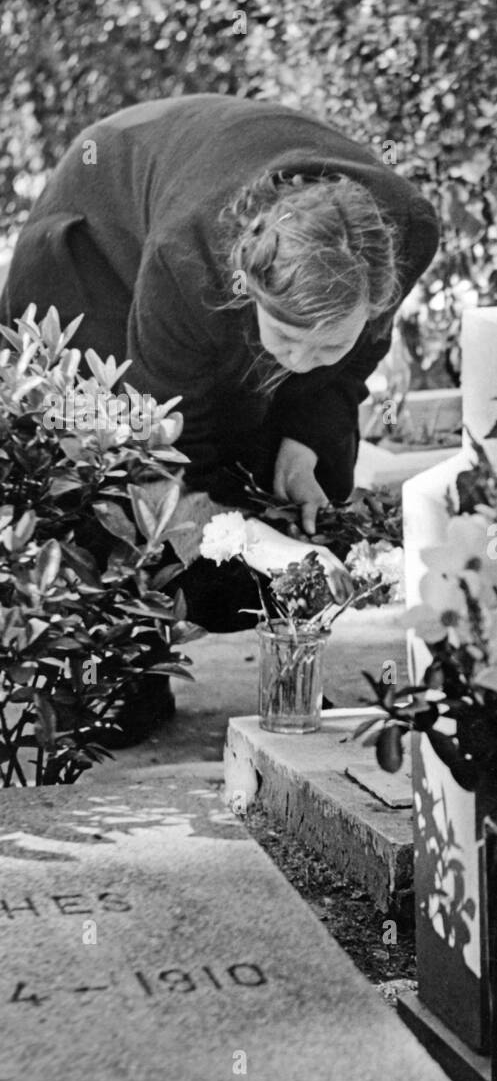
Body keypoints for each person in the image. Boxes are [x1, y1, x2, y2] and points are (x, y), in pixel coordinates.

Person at [1, 94, 439, 732]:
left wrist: (306, 441)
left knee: (305, 468)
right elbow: (159, 461)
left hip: (208, 186)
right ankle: (115, 674)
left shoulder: (407, 229)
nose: (309, 362)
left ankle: (288, 661)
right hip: (98, 239)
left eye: (330, 341)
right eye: (288, 338)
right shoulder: (191, 260)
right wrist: (255, 540)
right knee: (119, 467)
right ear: (247, 286)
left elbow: (347, 365)